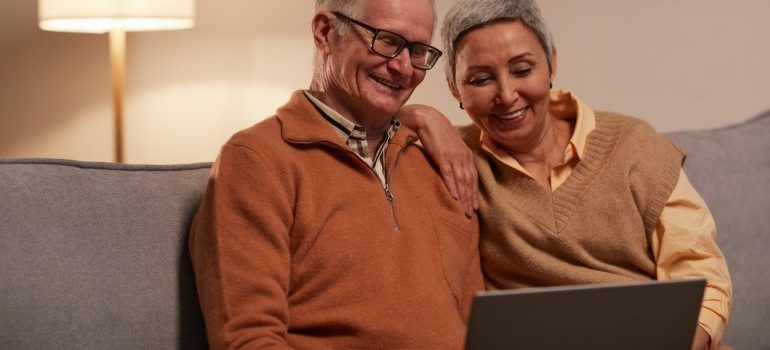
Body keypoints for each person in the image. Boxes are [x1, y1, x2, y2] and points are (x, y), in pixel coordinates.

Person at [399, 0, 732, 349]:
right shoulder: (455, 159)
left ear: (551, 63)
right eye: (481, 79)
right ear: (454, 88)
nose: (507, 95)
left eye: (522, 70)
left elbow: (702, 276)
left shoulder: (635, 145)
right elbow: (357, 125)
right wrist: (419, 116)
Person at [188, 0, 484, 349]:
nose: (404, 67)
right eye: (387, 41)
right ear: (325, 32)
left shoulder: (443, 165)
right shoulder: (257, 160)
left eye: (418, 51)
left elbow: (482, 332)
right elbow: (248, 338)